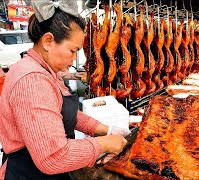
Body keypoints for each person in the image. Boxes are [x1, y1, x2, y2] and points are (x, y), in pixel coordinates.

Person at [0, 1, 130, 179]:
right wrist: (103, 144)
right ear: (48, 41)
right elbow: (53, 156)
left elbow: (66, 113)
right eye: (72, 50)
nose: (74, 58)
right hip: (30, 173)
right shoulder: (32, 80)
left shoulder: (46, 70)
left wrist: (106, 130)